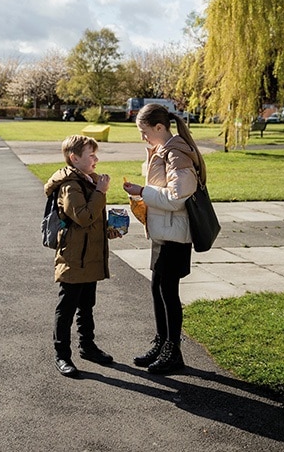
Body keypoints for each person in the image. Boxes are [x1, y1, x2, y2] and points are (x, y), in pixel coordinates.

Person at [122, 103, 205, 374]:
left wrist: (142, 191)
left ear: (160, 127)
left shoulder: (176, 154)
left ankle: (173, 351)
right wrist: (140, 194)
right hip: (163, 231)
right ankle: (162, 343)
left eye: (145, 132)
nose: (142, 138)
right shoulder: (163, 150)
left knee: (168, 292)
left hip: (175, 234)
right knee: (158, 288)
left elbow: (178, 197)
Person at [44, 134, 122, 378]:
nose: (96, 158)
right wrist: (100, 191)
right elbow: (83, 216)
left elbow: (92, 221)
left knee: (87, 305)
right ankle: (62, 355)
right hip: (74, 257)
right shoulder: (70, 185)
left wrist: (109, 229)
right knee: (66, 307)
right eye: (91, 155)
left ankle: (87, 346)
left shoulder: (87, 180)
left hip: (89, 255)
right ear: (74, 158)